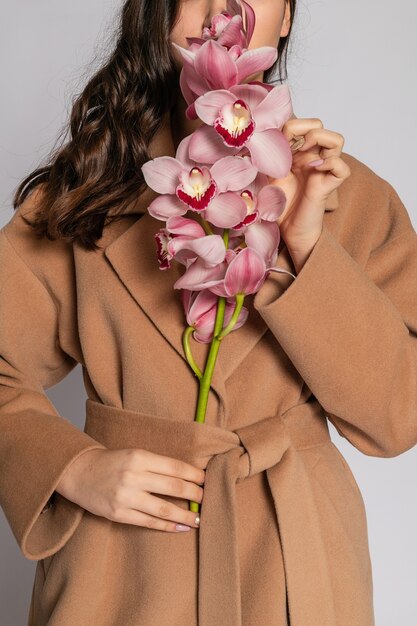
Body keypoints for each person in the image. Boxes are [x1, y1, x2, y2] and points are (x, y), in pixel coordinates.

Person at [1, 1, 416, 625]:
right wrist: (73, 467)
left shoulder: (353, 200)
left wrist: (305, 247)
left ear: (289, 16)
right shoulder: (84, 191)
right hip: (121, 575)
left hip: (295, 568)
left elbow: (397, 417)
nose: (224, 6)